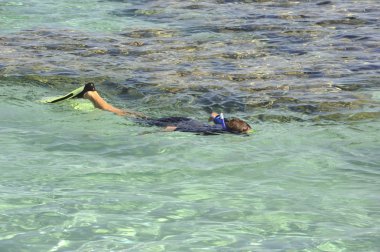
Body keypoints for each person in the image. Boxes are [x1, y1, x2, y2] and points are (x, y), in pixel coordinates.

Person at [49, 83, 252, 134]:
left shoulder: (222, 123)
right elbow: (174, 130)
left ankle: (97, 98)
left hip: (182, 117)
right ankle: (92, 95)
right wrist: (151, 134)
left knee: (140, 115)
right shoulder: (213, 133)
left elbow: (213, 114)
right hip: (178, 123)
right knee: (123, 117)